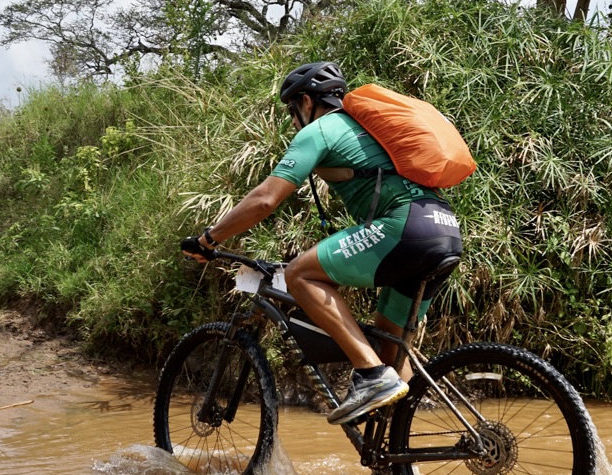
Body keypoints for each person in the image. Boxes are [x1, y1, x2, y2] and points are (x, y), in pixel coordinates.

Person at [181, 61, 463, 425]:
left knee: (300, 274)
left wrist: (209, 238)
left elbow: (267, 198)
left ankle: (370, 375)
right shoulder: (367, 130)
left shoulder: (323, 129)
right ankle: (396, 463)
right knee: (391, 350)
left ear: (305, 101)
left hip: (405, 227)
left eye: (291, 110)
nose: (292, 119)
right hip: (444, 230)